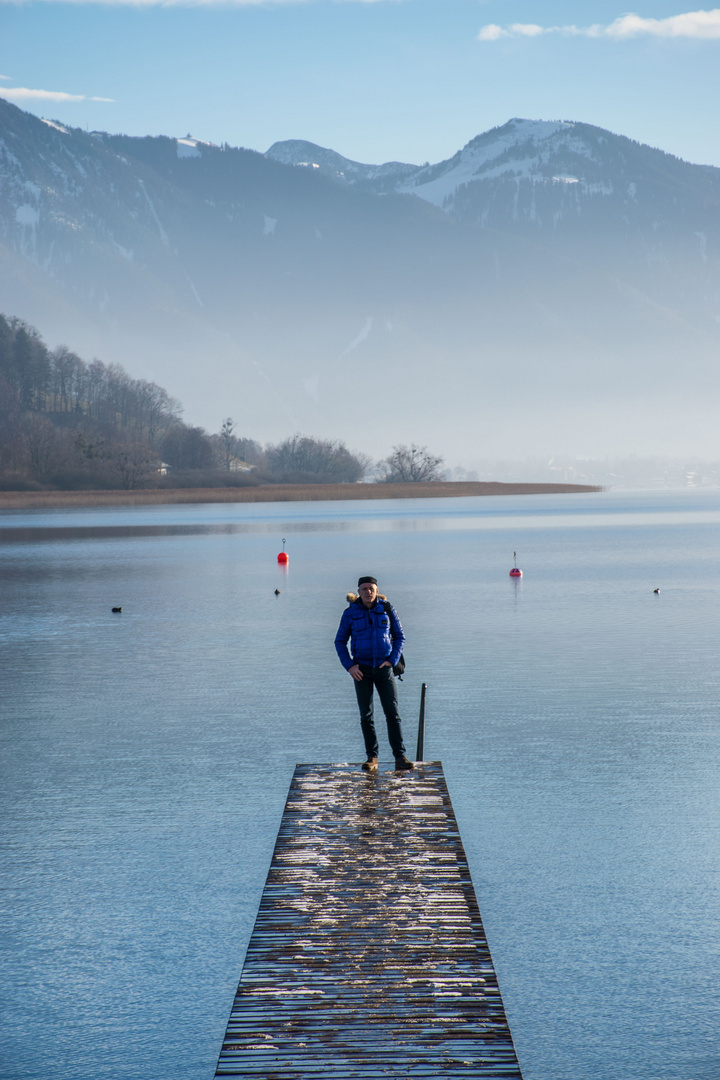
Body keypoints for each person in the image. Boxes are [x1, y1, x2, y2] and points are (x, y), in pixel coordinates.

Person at [335, 576, 414, 771]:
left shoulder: (387, 609)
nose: (368, 592)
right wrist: (350, 666)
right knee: (366, 716)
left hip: (384, 669)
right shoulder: (350, 613)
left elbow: (400, 636)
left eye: (371, 588)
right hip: (361, 670)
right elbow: (339, 641)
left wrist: (391, 661)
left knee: (392, 714)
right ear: (358, 592)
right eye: (364, 589)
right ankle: (372, 758)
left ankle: (400, 757)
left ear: (377, 590)